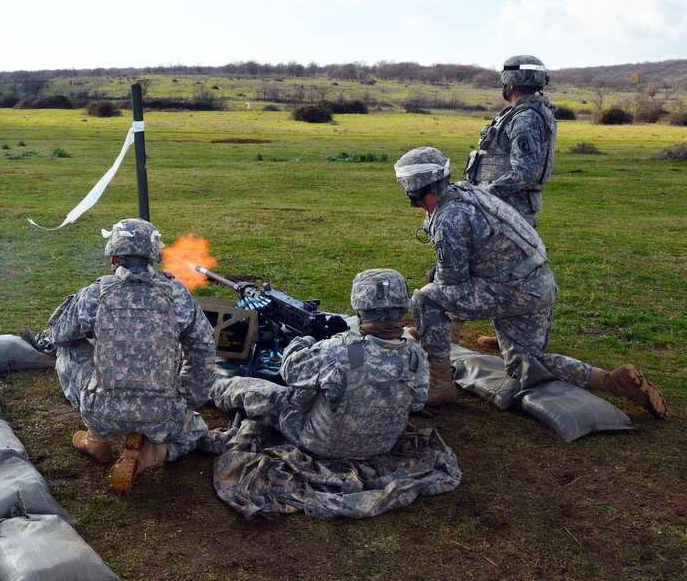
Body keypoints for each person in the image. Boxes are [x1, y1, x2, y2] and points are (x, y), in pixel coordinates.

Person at [393, 146, 667, 419]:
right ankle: (610, 380)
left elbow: (452, 281)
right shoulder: (469, 192)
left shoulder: (450, 216)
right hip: (535, 286)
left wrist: (431, 310)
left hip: (512, 290)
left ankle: (440, 386)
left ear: (415, 187)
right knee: (525, 366)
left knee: (427, 297)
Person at [45, 218, 216, 493]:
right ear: (154, 256)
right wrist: (187, 398)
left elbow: (59, 335)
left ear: (114, 256)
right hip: (163, 413)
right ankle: (149, 454)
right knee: (195, 434)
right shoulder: (178, 295)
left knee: (68, 347)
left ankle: (95, 436)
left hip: (102, 408)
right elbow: (203, 349)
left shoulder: (96, 294)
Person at [209, 269, 429, 460]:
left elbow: (290, 371)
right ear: (402, 307)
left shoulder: (338, 349)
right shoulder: (416, 357)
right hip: (381, 445)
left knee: (250, 389)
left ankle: (207, 382)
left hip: (323, 442)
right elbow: (417, 402)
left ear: (360, 307)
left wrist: (307, 338)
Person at [464, 55, 557, 228]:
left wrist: (485, 194)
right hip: (501, 207)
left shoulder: (525, 118)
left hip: (507, 208)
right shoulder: (523, 113)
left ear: (510, 84)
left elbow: (526, 171)